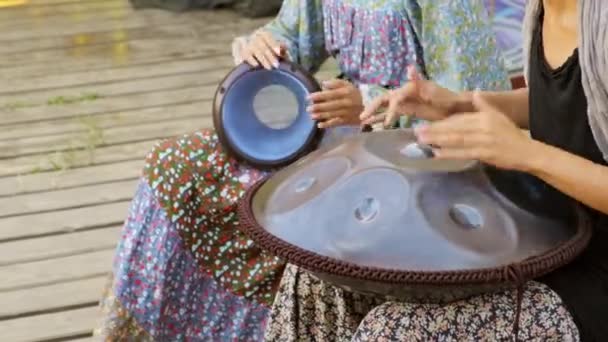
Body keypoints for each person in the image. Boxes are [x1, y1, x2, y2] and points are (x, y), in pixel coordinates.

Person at [96, 0, 508, 340]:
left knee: (296, 212)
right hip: (340, 130)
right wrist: (266, 46)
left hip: (417, 155)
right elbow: (294, 37)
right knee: (173, 167)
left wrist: (370, 101)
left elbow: (472, 97)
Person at [354, 0, 607, 340]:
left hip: (595, 271)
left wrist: (526, 153)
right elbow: (565, 102)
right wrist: (460, 104)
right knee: (329, 285)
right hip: (553, 238)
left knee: (392, 330)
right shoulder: (542, 10)